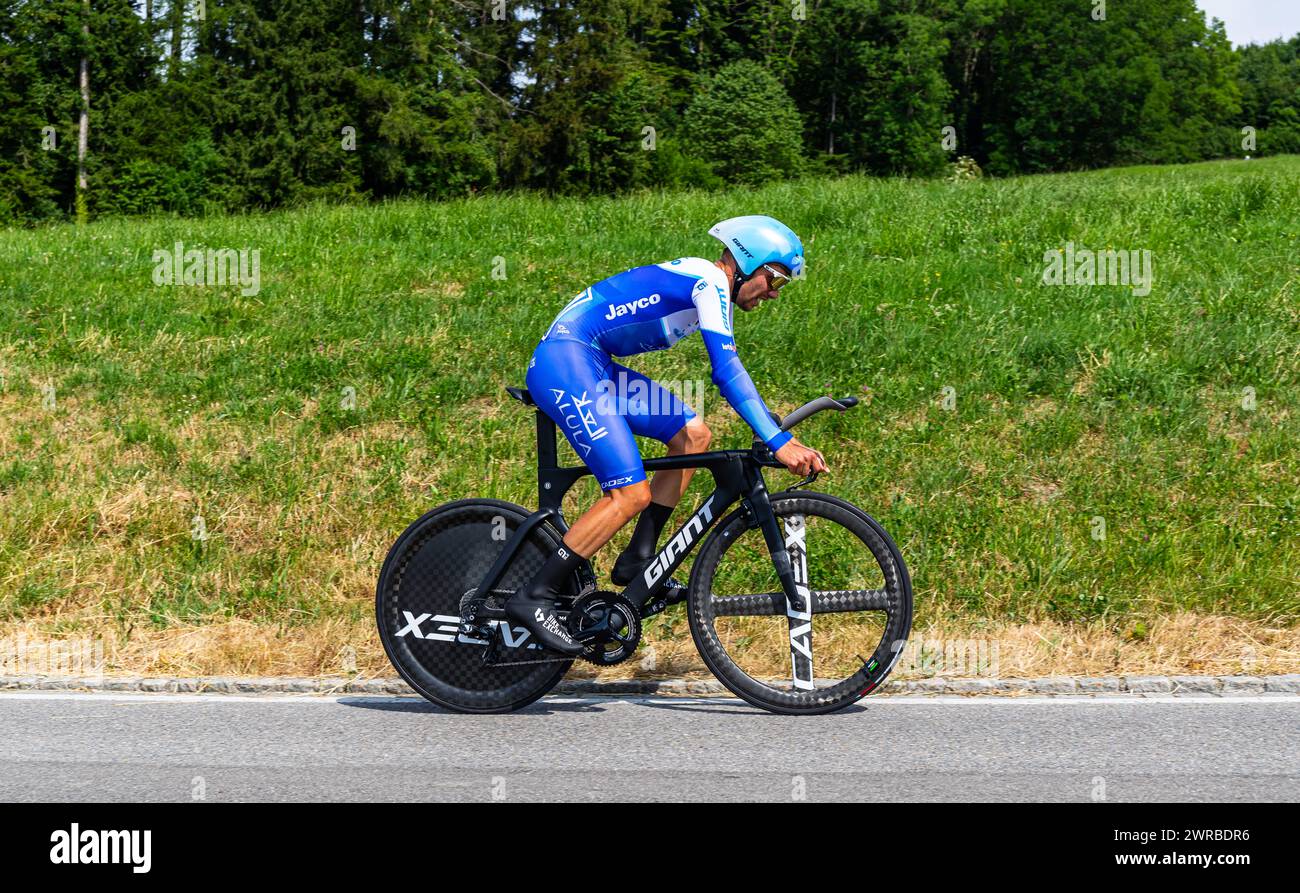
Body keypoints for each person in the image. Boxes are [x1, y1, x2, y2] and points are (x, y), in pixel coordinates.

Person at [507, 215, 829, 653]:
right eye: (774, 280)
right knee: (629, 493)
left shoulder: (710, 285)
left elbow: (731, 373)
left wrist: (769, 423)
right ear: (749, 262)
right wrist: (778, 441)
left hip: (593, 362)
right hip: (566, 361)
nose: (774, 292)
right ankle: (535, 595)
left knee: (694, 435)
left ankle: (639, 558)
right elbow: (727, 370)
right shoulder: (710, 281)